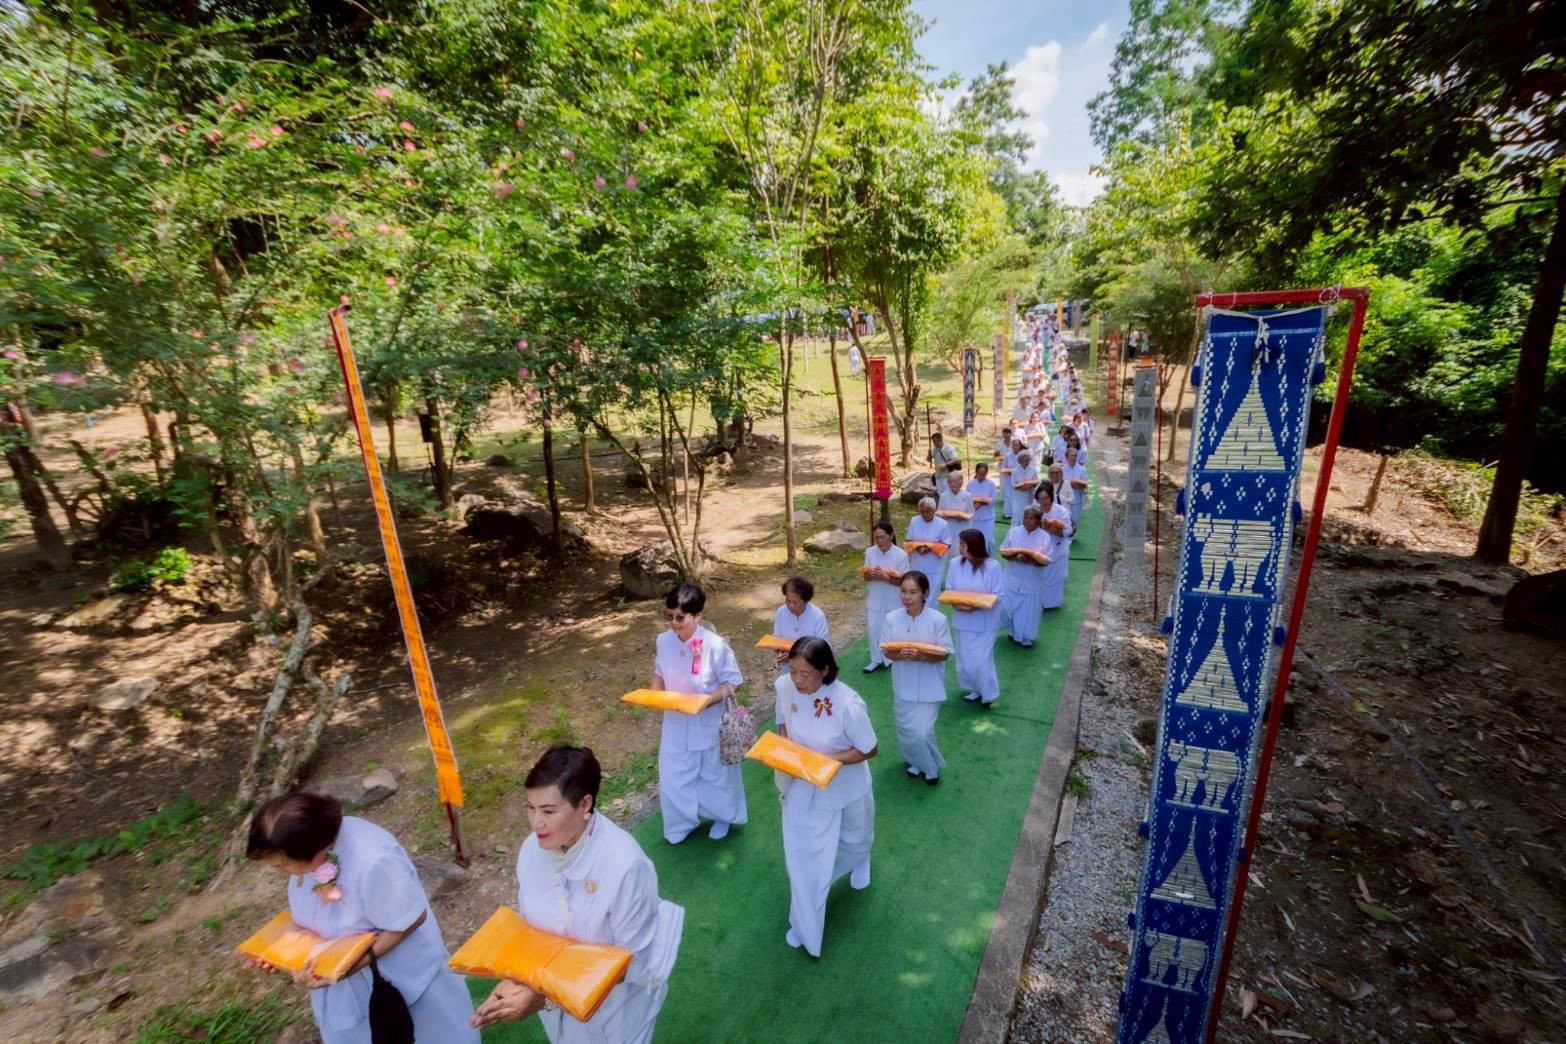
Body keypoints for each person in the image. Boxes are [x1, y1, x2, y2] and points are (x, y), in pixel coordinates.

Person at [473, 745, 683, 1043]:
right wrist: (520, 979)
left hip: (618, 1010)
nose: (535, 823)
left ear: (585, 805)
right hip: (558, 1012)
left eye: (548, 811)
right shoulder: (531, 851)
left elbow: (629, 963)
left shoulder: (624, 866)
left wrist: (544, 995)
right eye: (530, 808)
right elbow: (533, 933)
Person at [245, 793, 479, 1044]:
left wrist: (350, 966)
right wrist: (276, 949)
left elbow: (410, 919)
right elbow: (312, 914)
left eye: (282, 866)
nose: (280, 873)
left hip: (403, 982)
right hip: (341, 987)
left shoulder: (373, 860)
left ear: (315, 849)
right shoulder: (309, 849)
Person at [774, 638, 877, 957]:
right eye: (793, 671)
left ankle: (861, 859)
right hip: (802, 786)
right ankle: (805, 925)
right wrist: (785, 751)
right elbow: (782, 724)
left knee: (857, 840)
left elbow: (869, 748)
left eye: (806, 674)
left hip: (845, 785)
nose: (798, 680)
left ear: (826, 670)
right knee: (806, 861)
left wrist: (830, 761)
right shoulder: (785, 686)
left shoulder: (848, 704)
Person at [650, 584, 747, 843]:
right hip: (675, 722)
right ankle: (680, 823)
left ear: (698, 615)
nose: (673, 623)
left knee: (714, 775)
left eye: (680, 617)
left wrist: (707, 701)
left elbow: (734, 681)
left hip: (708, 721)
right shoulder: (663, 641)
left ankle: (722, 816)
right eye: (668, 615)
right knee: (673, 775)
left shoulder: (716, 645)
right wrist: (654, 693)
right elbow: (659, 673)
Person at [884, 571, 952, 783]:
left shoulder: (938, 620)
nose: (907, 596)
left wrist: (921, 655)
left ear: (925, 593)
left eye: (913, 592)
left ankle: (931, 768)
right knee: (905, 730)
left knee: (922, 732)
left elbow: (945, 654)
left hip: (929, 686)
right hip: (903, 684)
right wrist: (900, 654)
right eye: (903, 591)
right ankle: (916, 761)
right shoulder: (891, 618)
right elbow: (887, 651)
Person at [945, 529, 1003, 709]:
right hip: (962, 620)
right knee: (965, 659)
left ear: (974, 545)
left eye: (963, 545)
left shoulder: (992, 566)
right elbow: (950, 588)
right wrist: (956, 604)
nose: (959, 548)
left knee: (980, 659)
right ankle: (974, 689)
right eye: (960, 544)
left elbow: (998, 595)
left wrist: (975, 606)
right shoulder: (955, 563)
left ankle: (988, 693)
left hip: (984, 622)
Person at [861, 520, 910, 673]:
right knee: (874, 627)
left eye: (883, 537)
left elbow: (904, 581)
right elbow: (865, 577)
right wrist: (872, 575)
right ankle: (875, 659)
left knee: (891, 629)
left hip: (893, 599)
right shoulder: (870, 552)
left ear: (891, 535)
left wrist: (887, 577)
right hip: (875, 597)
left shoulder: (900, 555)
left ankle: (892, 658)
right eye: (877, 538)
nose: (880, 541)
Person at [1000, 505, 1051, 649]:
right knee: (1009, 606)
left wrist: (1029, 560)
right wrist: (1016, 557)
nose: (1027, 521)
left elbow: (1046, 560)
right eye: (1025, 518)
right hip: (1012, 577)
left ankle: (1027, 637)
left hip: (1031, 580)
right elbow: (1003, 551)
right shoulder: (1013, 532)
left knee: (1028, 610)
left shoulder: (1044, 537)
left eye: (1031, 518)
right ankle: (1013, 631)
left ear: (1038, 520)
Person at [772, 576, 831, 670]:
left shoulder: (817, 616)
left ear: (805, 600)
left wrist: (794, 656)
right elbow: (777, 638)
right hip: (789, 667)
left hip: (812, 667)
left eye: (795, 602)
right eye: (788, 601)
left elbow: (823, 648)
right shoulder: (781, 612)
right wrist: (779, 652)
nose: (791, 605)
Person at [1034, 481, 1076, 610]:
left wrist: (1053, 528)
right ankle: (1041, 602)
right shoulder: (1035, 511)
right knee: (1042, 577)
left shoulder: (1060, 510)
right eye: (1040, 498)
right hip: (1040, 549)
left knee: (1055, 578)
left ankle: (1053, 603)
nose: (1043, 501)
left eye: (1045, 498)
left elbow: (1069, 530)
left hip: (1058, 549)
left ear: (1050, 497)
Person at [906, 497, 950, 597]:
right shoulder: (914, 521)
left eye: (928, 512)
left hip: (934, 564)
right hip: (917, 562)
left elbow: (947, 544)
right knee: (916, 591)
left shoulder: (943, 524)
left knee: (932, 594)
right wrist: (917, 547)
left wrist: (930, 548)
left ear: (934, 511)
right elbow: (909, 540)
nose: (925, 514)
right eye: (922, 512)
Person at [938, 471, 975, 556]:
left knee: (963, 552)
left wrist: (963, 516)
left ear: (961, 482)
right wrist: (945, 515)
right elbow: (939, 512)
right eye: (950, 482)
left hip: (963, 527)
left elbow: (972, 513)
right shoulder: (944, 496)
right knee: (949, 554)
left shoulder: (967, 495)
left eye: (955, 481)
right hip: (949, 527)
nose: (952, 484)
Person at [967, 463, 998, 550]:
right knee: (975, 539)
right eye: (979, 474)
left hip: (987, 517)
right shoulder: (970, 484)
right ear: (976, 472)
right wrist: (973, 503)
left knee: (987, 540)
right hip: (975, 517)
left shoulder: (991, 484)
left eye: (983, 474)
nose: (981, 476)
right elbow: (968, 498)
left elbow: (994, 500)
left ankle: (988, 558)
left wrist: (984, 502)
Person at [1061, 445, 1089, 529]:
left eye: (1075, 456)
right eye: (1071, 456)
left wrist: (1073, 483)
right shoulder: (1062, 469)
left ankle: (1072, 536)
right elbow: (1060, 483)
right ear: (1066, 457)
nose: (1073, 458)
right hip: (1064, 497)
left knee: (1075, 518)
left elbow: (1085, 484)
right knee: (1064, 518)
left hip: (1076, 497)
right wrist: (1074, 483)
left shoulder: (1082, 469)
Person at [1010, 449, 1038, 525]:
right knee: (1016, 514)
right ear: (1020, 461)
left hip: (1029, 495)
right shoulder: (1015, 471)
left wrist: (1030, 485)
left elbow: (1036, 482)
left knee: (1028, 513)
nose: (1027, 462)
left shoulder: (1033, 470)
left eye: (1029, 460)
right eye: (1026, 460)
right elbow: (1012, 484)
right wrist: (1020, 487)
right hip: (1018, 496)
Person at [1000, 439, 1021, 522]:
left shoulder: (1022, 455)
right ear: (1012, 446)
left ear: (1020, 446)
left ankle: (1017, 513)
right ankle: (1007, 513)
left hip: (1019, 479)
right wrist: (1008, 471)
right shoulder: (1007, 455)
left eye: (1017, 445)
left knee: (1018, 496)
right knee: (1009, 496)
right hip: (1008, 479)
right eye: (1014, 445)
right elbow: (1003, 468)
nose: (1015, 447)